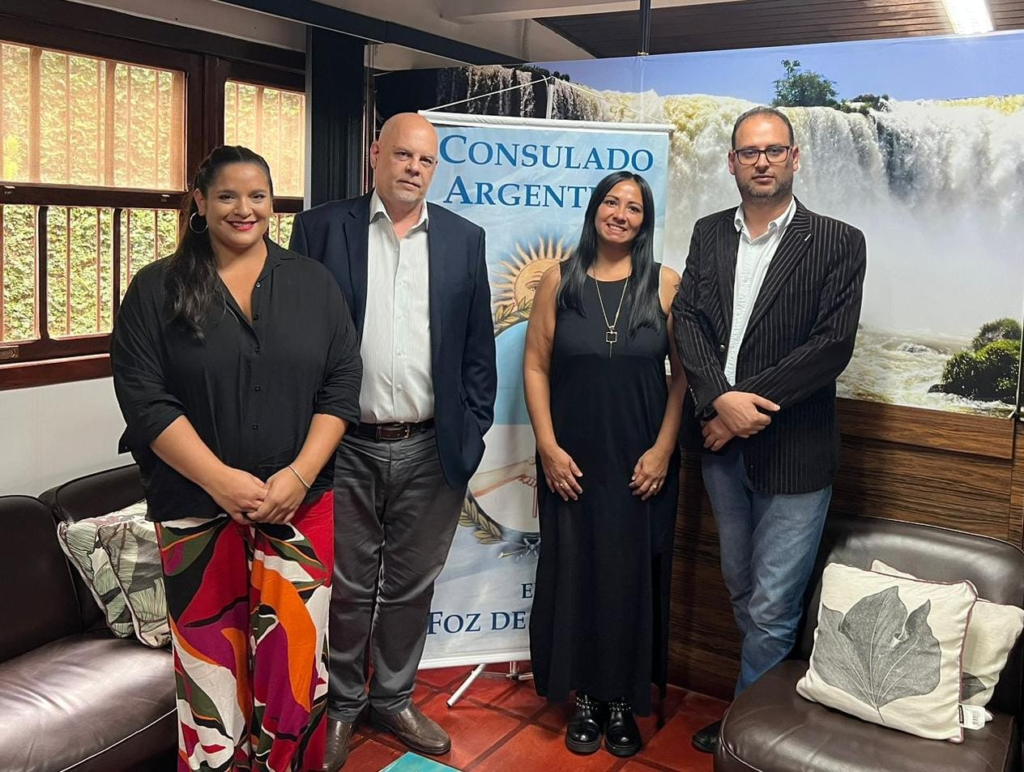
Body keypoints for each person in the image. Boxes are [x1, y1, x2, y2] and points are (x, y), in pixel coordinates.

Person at [110, 145, 362, 771]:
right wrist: (221, 481)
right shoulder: (156, 289)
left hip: (300, 509)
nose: (243, 208)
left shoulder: (314, 283)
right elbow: (145, 400)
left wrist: (300, 474)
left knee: (294, 673)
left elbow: (341, 384)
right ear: (200, 202)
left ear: (272, 204)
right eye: (227, 195)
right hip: (195, 511)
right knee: (210, 678)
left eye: (257, 196)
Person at [289, 113, 497, 770]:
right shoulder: (321, 229)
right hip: (344, 445)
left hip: (433, 450)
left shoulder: (464, 238)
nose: (414, 168)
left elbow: (478, 351)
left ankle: (395, 697)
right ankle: (344, 705)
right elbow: (296, 339)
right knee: (348, 586)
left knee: (411, 585)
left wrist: (473, 428)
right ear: (375, 153)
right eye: (403, 155)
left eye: (426, 160)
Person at [671, 106, 867, 753]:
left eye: (774, 150)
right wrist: (718, 400)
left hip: (794, 456)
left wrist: (738, 411)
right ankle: (761, 716)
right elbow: (688, 321)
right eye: (750, 152)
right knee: (743, 589)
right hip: (721, 451)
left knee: (774, 604)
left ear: (794, 158)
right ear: (732, 162)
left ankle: (746, 734)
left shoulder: (838, 241)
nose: (762, 161)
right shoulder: (708, 233)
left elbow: (830, 347)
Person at [524, 171, 686, 758]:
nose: (621, 214)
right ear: (595, 210)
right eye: (611, 202)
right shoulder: (559, 280)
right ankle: (586, 699)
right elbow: (535, 366)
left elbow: (683, 377)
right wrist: (547, 447)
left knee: (629, 578)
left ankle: (622, 699)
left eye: (634, 207)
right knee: (577, 574)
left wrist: (663, 450)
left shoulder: (665, 284)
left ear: (645, 220)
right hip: (572, 462)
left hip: (641, 464)